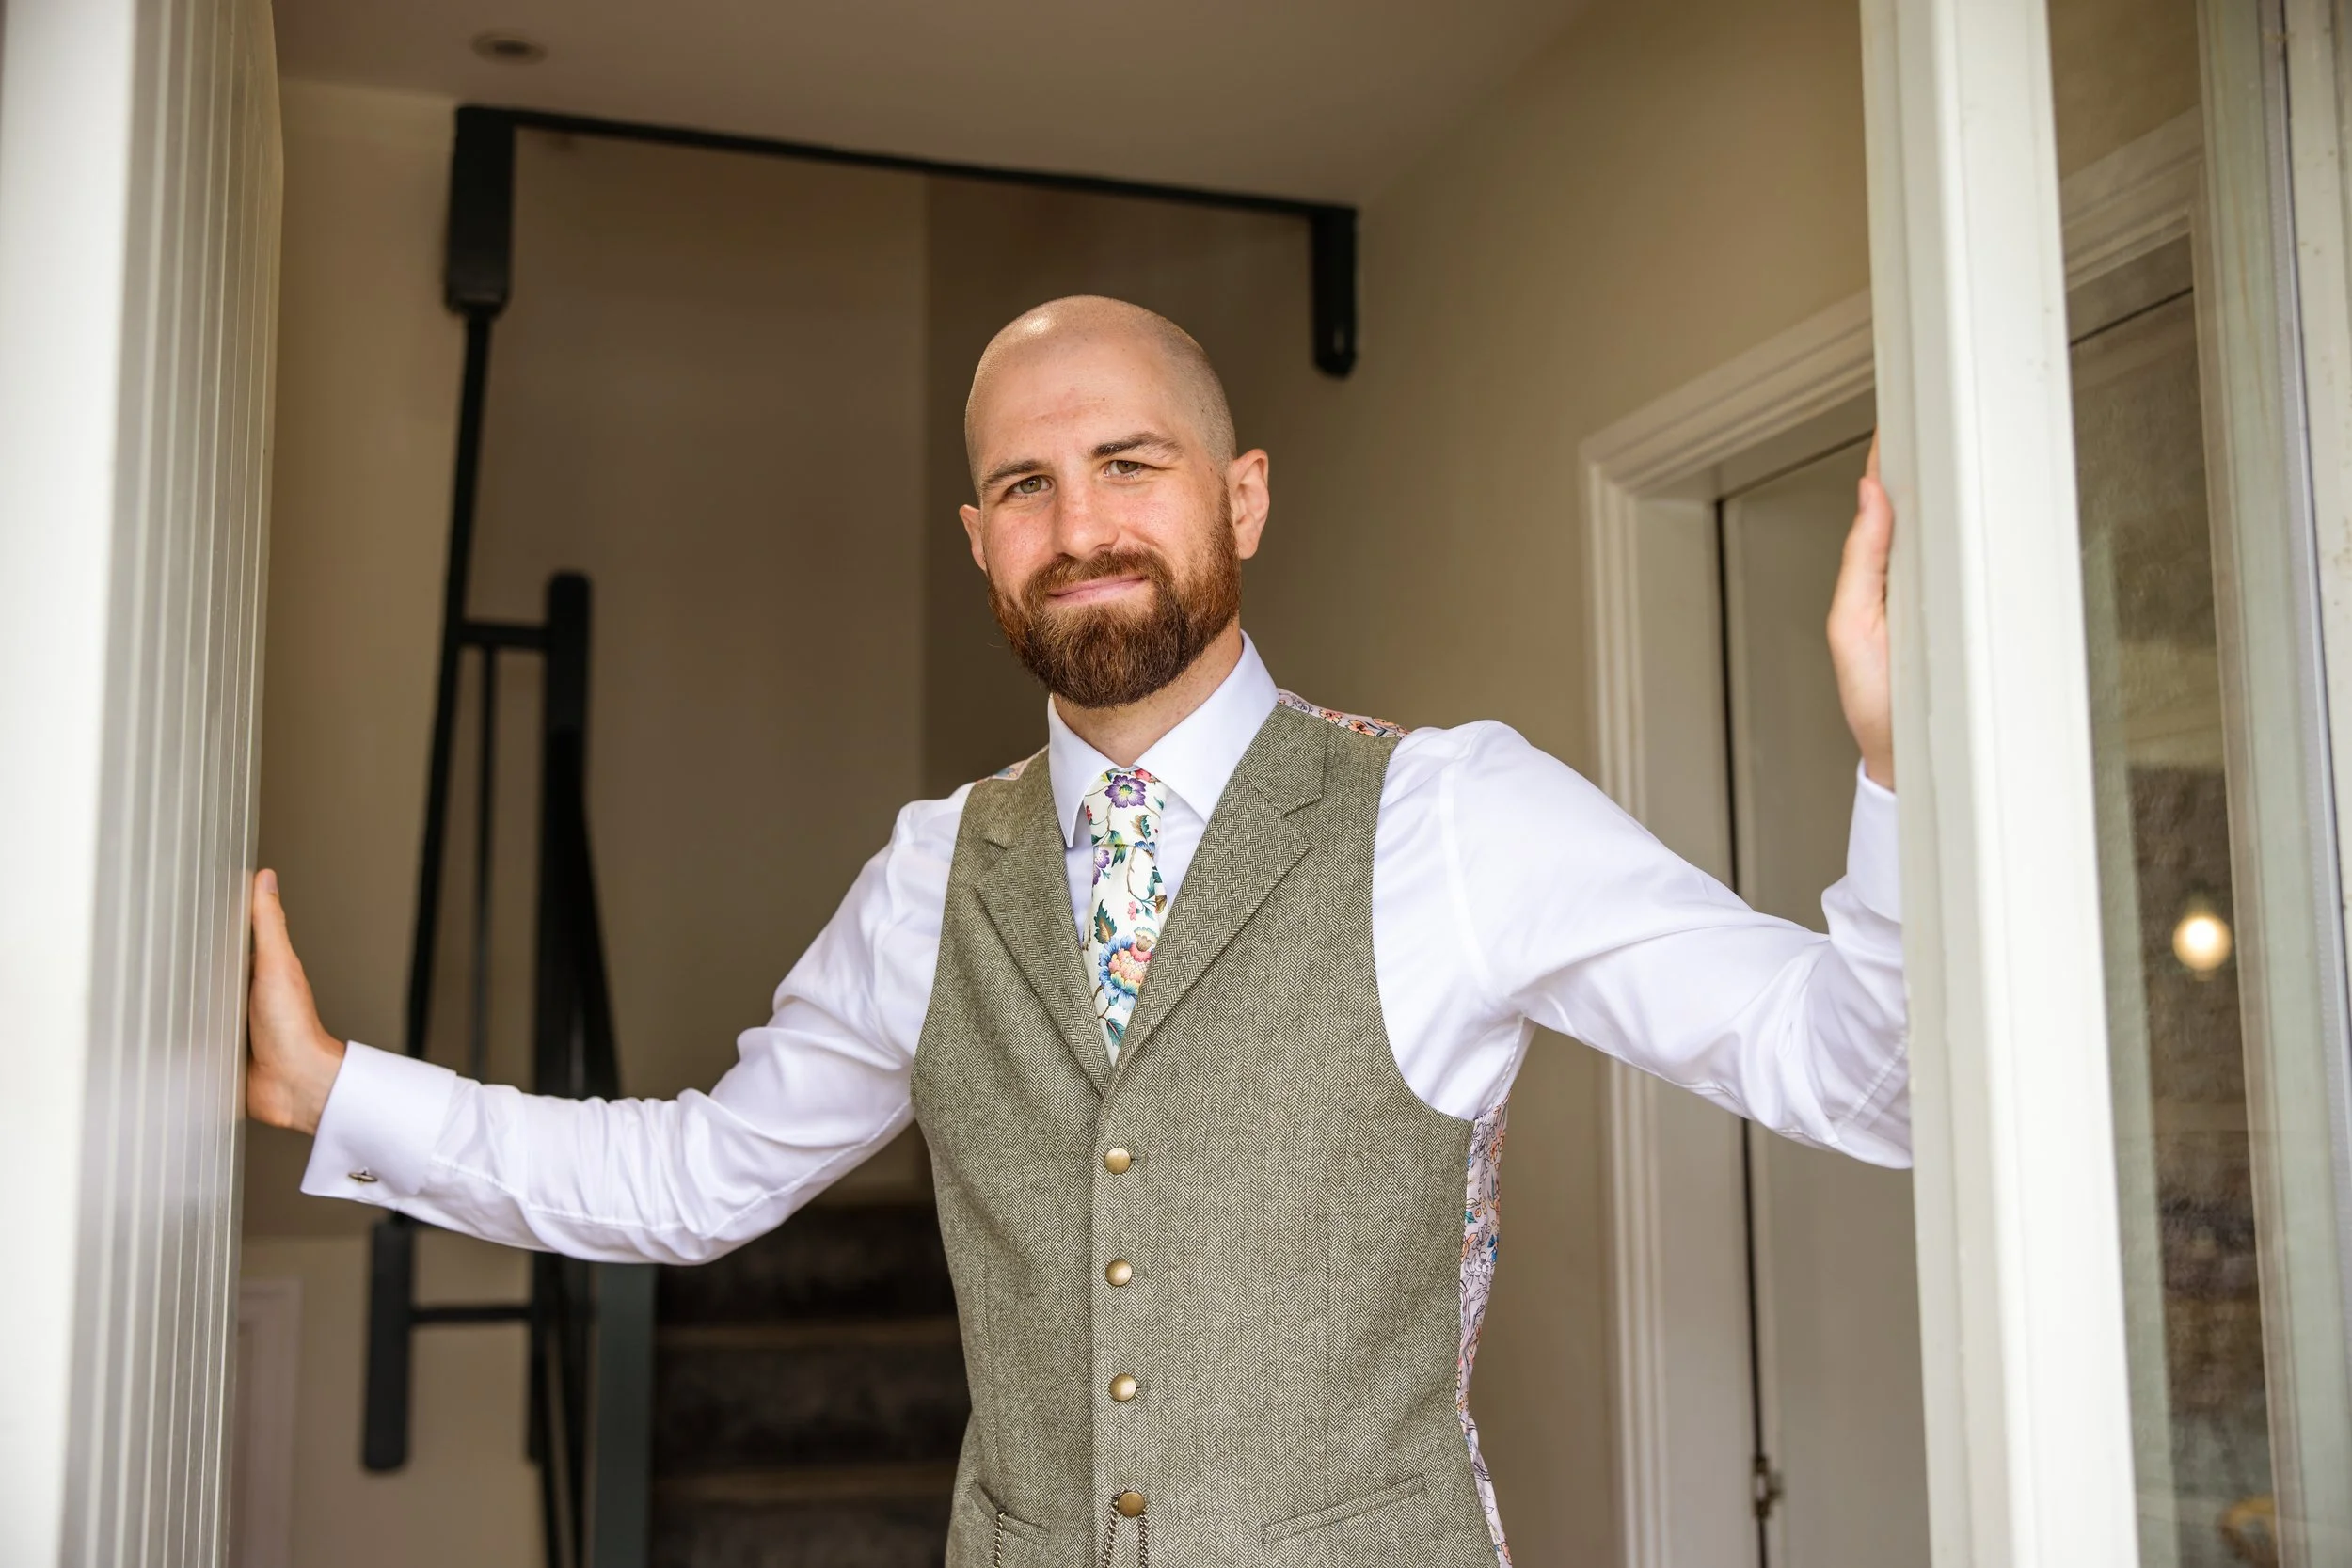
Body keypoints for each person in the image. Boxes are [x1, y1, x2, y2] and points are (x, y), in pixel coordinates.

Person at [246, 295, 1905, 1568]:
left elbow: (1860, 1073)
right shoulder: (929, 876)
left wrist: (1899, 766)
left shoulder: (1456, 817)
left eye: (1129, 463)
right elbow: (693, 1177)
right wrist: (333, 1089)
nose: (1079, 526)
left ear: (1242, 498)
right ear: (979, 542)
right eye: (1024, 486)